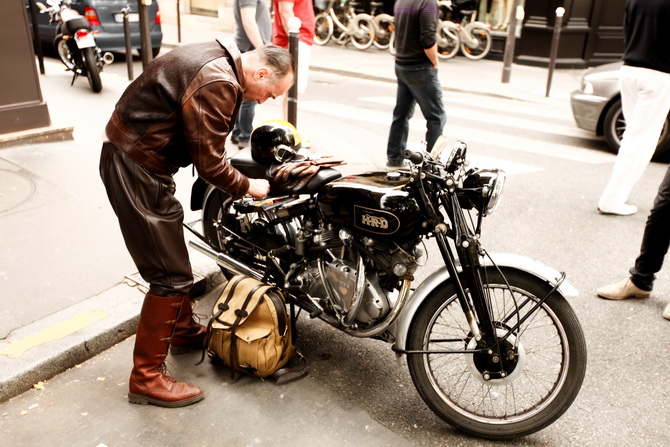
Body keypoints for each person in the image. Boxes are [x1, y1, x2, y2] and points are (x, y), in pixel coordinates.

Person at [99, 41, 294, 408]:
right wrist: (249, 186)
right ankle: (146, 378)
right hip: (136, 166)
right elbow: (210, 164)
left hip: (138, 161)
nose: (267, 100)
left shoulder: (218, 58)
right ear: (262, 73)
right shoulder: (218, 82)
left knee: (172, 260)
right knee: (169, 275)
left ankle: (183, 331)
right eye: (271, 93)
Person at [597, 0, 670, 216]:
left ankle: (618, 193)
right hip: (659, 74)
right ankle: (612, 199)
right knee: (642, 141)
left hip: (630, 69)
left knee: (632, 137)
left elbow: (627, 30)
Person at [386, 0, 446, 170]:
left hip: (402, 64)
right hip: (419, 67)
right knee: (436, 117)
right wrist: (435, 62)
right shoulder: (427, 3)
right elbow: (427, 39)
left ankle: (394, 157)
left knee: (401, 114)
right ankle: (431, 166)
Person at [230, 0, 273, 149]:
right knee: (249, 97)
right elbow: (248, 22)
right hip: (251, 49)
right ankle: (245, 136)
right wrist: (263, 51)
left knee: (242, 96)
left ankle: (237, 133)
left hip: (248, 48)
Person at [272, 0, 315, 122]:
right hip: (296, 39)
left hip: (299, 38)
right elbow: (285, 11)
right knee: (291, 88)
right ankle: (289, 129)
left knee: (292, 88)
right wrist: (294, 40)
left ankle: (289, 127)